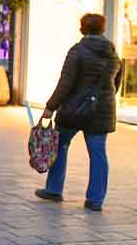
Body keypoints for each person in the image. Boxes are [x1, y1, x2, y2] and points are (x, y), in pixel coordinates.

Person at [36, 13, 123, 211]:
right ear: (102, 29)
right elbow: (115, 84)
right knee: (98, 153)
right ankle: (95, 200)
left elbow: (65, 84)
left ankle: (54, 189)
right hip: (101, 110)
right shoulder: (112, 53)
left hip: (74, 110)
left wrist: (50, 107)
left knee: (60, 144)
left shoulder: (78, 51)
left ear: (82, 28)